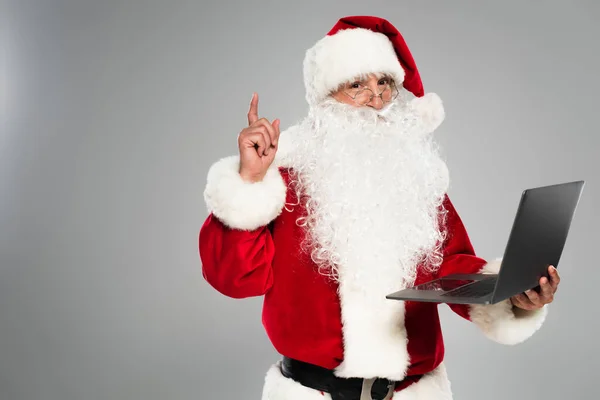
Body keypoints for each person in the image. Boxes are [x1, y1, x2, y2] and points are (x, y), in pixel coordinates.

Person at [198, 16, 560, 400]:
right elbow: (234, 280)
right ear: (326, 96)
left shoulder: (415, 178)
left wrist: (511, 293)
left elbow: (452, 266)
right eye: (357, 85)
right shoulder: (284, 178)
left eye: (384, 83)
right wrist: (249, 183)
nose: (376, 99)